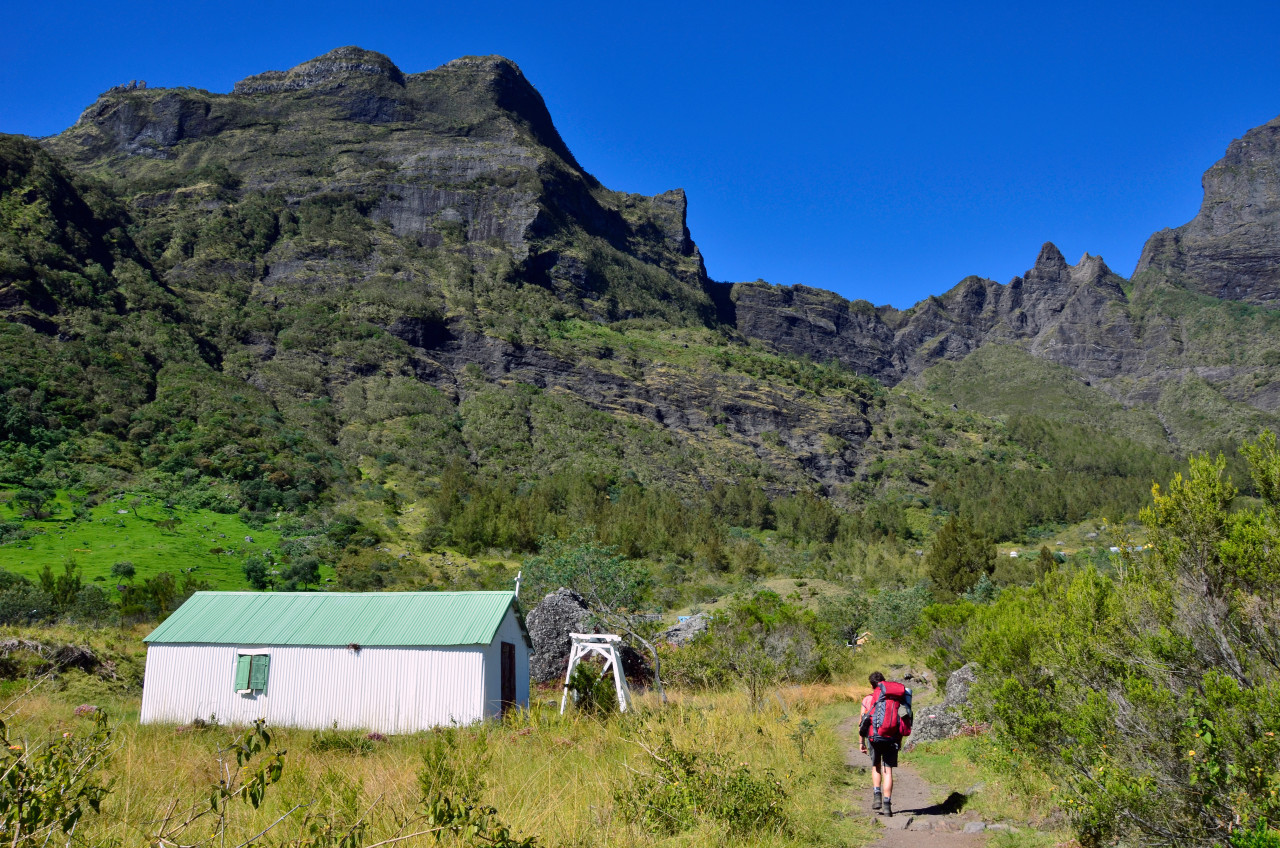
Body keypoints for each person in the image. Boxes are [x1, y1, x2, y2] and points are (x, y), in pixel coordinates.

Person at [859, 671, 897, 816]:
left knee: (876, 766)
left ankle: (877, 797)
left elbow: (861, 722)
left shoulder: (868, 699)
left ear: (871, 685)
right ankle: (887, 805)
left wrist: (861, 742)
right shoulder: (893, 697)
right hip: (891, 737)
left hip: (873, 737)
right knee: (888, 771)